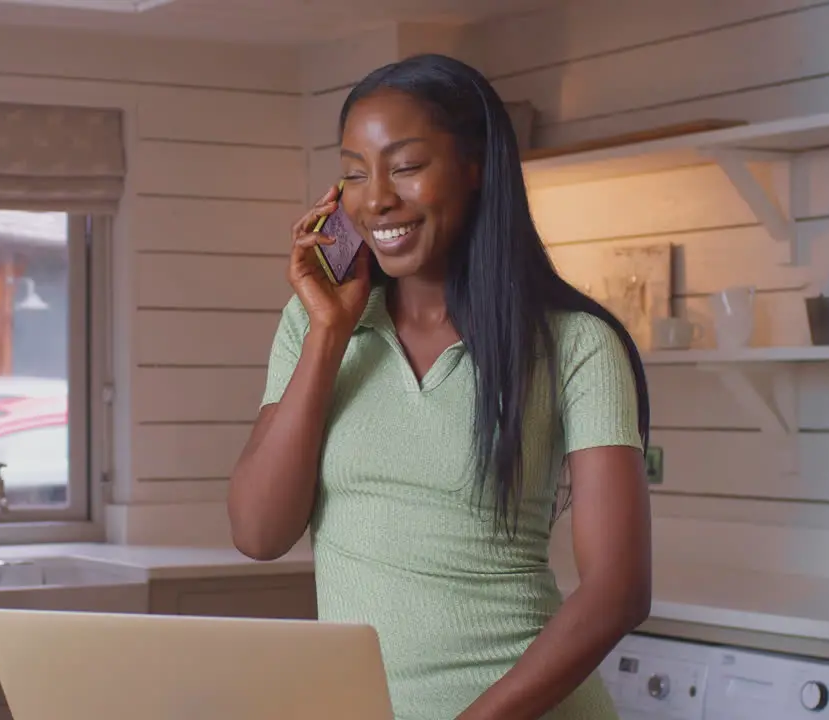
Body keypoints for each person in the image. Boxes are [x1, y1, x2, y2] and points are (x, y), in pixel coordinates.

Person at [227, 53, 653, 720]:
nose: (376, 199)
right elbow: (258, 532)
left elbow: (618, 591)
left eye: (406, 166)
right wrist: (329, 333)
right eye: (354, 173)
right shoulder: (315, 329)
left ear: (475, 167)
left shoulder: (574, 344)